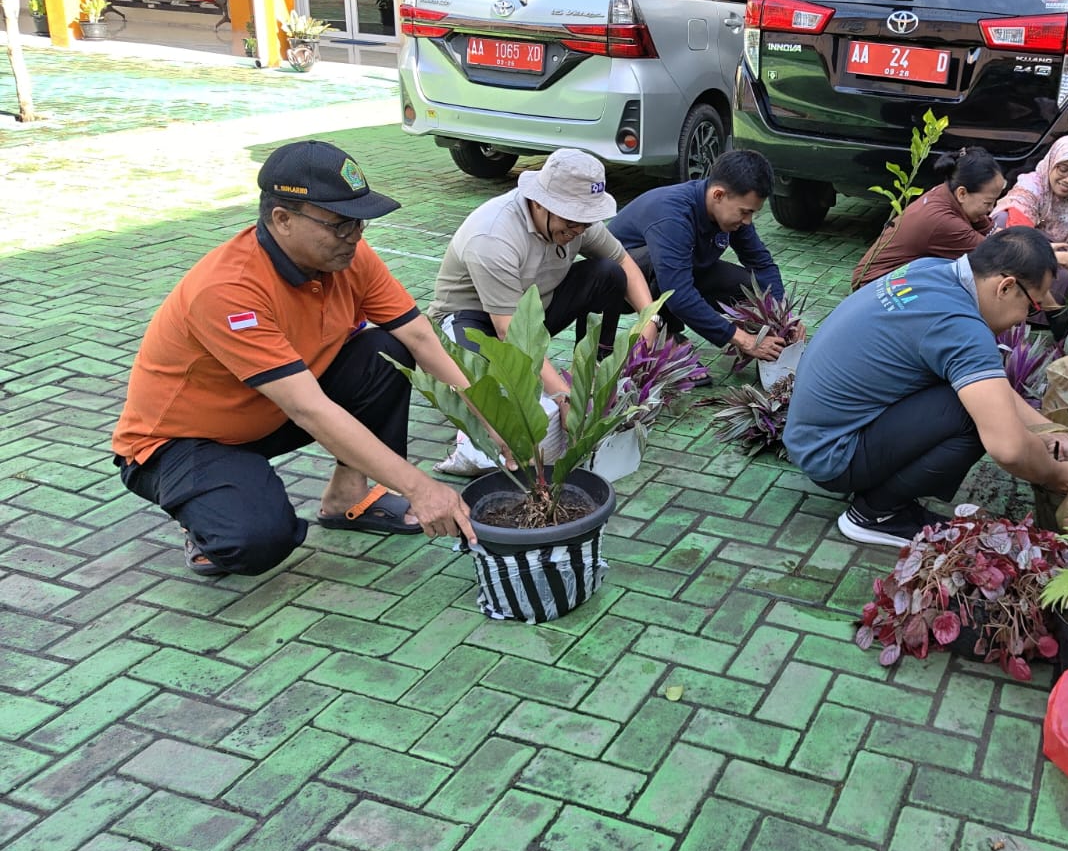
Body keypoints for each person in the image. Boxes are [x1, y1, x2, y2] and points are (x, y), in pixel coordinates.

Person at [112, 141, 477, 577]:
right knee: (258, 541)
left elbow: (418, 336)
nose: (355, 237)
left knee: (386, 352)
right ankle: (208, 520)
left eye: (359, 222)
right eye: (340, 225)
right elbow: (310, 408)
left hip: (269, 410)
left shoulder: (347, 257)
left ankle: (346, 498)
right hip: (184, 441)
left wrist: (489, 416)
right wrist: (421, 489)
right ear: (282, 220)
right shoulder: (229, 290)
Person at [785, 227, 1068, 548]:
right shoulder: (961, 326)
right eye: (1032, 306)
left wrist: (1049, 430)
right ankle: (876, 514)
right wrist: (1057, 476)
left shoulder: (931, 270)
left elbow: (990, 387)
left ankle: (882, 495)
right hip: (832, 455)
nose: (1025, 319)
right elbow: (1008, 448)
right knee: (970, 415)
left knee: (973, 397)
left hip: (812, 435)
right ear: (1006, 287)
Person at [428, 148, 660, 440]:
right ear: (539, 203)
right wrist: (563, 397)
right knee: (498, 400)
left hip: (531, 309)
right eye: (572, 221)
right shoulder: (492, 237)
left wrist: (650, 322)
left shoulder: (578, 222)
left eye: (586, 221)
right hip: (474, 320)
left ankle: (593, 363)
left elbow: (623, 262)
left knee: (608, 273)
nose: (580, 229)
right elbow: (510, 331)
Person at [609, 149, 797, 364]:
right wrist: (742, 339)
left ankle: (761, 335)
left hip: (682, 272)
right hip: (622, 287)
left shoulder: (731, 212)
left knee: (750, 287)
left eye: (752, 213)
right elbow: (678, 294)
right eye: (745, 212)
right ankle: (667, 337)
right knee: (663, 263)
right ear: (718, 195)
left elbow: (762, 264)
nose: (747, 220)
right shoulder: (673, 216)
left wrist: (783, 318)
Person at [852, 147, 1005, 290]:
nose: (991, 209)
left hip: (897, 278)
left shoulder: (947, 193)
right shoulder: (943, 222)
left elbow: (994, 233)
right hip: (873, 287)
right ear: (962, 193)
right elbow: (996, 256)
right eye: (988, 203)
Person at [989, 135, 1068, 299]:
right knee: (1002, 218)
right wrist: (1057, 258)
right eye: (1063, 169)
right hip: (1018, 252)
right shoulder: (1030, 187)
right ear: (1051, 163)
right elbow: (1020, 238)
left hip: (1050, 250)